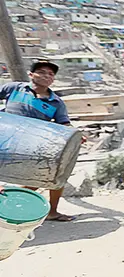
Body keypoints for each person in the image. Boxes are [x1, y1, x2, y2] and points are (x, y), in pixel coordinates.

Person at [0, 60, 78, 222]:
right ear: (31, 75)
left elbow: (64, 124)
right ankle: (11, 204)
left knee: (57, 173)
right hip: (5, 138)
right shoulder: (14, 88)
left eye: (50, 74)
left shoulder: (56, 102)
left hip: (31, 145)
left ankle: (52, 211)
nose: (47, 76)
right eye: (42, 72)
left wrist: (75, 134)